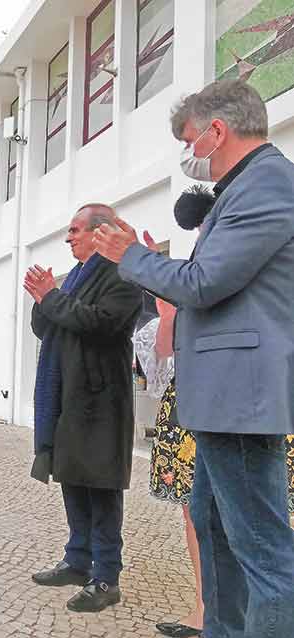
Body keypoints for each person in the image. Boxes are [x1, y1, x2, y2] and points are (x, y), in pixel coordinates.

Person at [94, 79, 294, 638]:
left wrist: (133, 256)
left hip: (240, 397)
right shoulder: (244, 187)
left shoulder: (266, 183)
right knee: (213, 523)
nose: (189, 154)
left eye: (189, 141)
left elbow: (204, 282)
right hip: (224, 397)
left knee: (262, 548)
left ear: (217, 131)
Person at [134, 189, 294, 638]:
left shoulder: (257, 246)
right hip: (200, 406)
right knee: (205, 516)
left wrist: (150, 270)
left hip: (246, 406)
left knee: (259, 536)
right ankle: (209, 615)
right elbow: (168, 345)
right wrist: (168, 307)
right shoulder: (202, 266)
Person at [26, 204, 142, 613]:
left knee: (101, 487)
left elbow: (100, 323)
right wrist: (43, 300)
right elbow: (46, 327)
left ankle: (106, 577)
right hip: (67, 396)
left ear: (99, 232)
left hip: (101, 400)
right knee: (73, 478)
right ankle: (77, 561)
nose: (68, 237)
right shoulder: (75, 277)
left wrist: (51, 297)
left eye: (75, 230)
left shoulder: (123, 275)